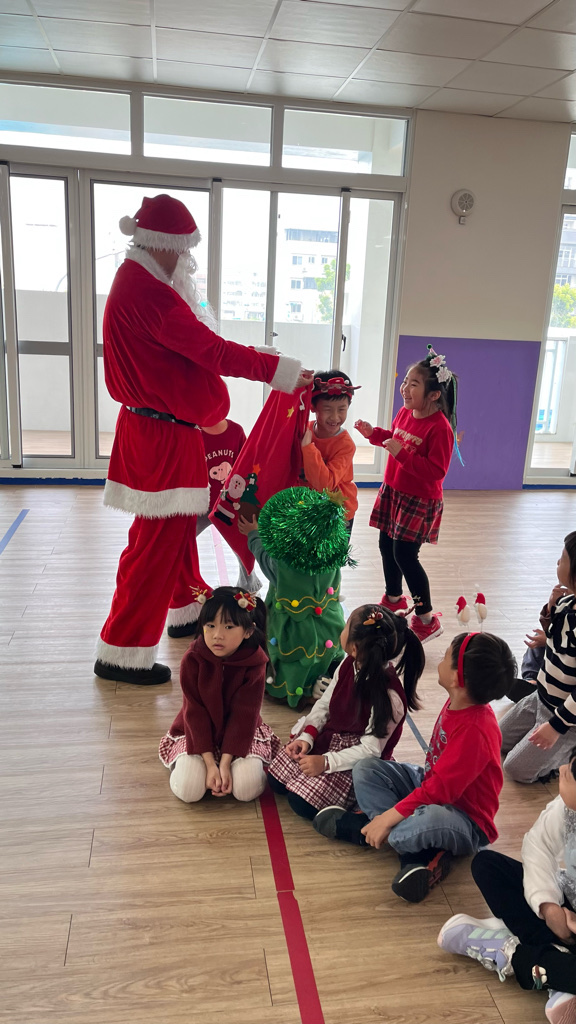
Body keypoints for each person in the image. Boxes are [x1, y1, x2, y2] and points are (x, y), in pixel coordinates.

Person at [94, 194, 311, 685]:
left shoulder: (139, 283)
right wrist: (277, 369)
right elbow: (210, 350)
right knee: (153, 547)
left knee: (170, 535)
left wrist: (264, 360)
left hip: (161, 431)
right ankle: (121, 650)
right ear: (163, 244)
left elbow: (196, 349)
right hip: (161, 437)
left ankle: (185, 611)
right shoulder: (149, 293)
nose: (186, 260)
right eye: (183, 249)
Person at [313, 631, 516, 903]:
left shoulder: (476, 730)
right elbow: (433, 785)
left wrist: (389, 816)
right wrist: (394, 814)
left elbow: (440, 791)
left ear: (457, 679)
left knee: (428, 819)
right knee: (366, 768)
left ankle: (371, 831)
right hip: (429, 786)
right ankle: (404, 843)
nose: (441, 659)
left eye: (446, 656)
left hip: (466, 819)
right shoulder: (461, 700)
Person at [438, 747, 576, 1024]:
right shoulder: (566, 807)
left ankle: (514, 953)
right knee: (487, 865)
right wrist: (548, 907)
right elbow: (538, 845)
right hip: (567, 903)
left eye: (570, 774)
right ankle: (558, 964)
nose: (561, 770)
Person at [267, 604, 424, 820]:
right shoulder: (348, 663)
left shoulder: (389, 696)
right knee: (276, 780)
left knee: (300, 802)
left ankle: (354, 815)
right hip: (330, 739)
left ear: (355, 647)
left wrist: (326, 763)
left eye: (346, 626)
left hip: (354, 760)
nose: (342, 629)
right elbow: (325, 703)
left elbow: (370, 750)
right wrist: (307, 737)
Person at [355, 345, 461, 644]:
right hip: (394, 491)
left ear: (434, 394)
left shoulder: (440, 428)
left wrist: (401, 454)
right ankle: (393, 598)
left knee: (405, 555)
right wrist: (373, 434)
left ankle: (426, 618)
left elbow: (436, 471)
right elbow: (394, 437)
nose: (404, 388)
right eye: (405, 381)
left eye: (414, 384)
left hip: (419, 499)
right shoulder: (405, 412)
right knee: (386, 545)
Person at [158, 587, 279, 803]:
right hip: (197, 730)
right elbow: (194, 712)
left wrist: (224, 763)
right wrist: (209, 763)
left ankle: (223, 768)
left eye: (229, 627)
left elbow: (244, 715)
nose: (217, 635)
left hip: (240, 731)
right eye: (210, 625)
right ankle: (196, 768)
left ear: (248, 631)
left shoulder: (255, 662)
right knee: (189, 790)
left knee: (247, 790)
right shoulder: (192, 659)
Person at [238, 486, 353, 707]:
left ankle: (295, 689)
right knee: (324, 651)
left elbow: (262, 555)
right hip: (329, 624)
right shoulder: (332, 554)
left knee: (292, 655)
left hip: (292, 630)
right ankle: (324, 682)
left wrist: (254, 533)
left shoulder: (283, 564)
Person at [167, 418, 261, 639]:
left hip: (227, 504)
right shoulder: (191, 431)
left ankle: (249, 583)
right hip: (198, 505)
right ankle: (181, 594)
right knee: (181, 543)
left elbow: (246, 462)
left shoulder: (236, 430)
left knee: (241, 542)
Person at [500, 532, 576, 784]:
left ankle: (568, 752)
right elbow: (554, 634)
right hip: (541, 698)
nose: (557, 562)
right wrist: (551, 608)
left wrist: (556, 727)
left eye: (563, 559)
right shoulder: (567, 601)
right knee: (497, 739)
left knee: (516, 769)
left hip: (567, 719)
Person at [301, 371, 360, 532]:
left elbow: (325, 485)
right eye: (327, 409)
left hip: (337, 513)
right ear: (313, 407)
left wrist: (308, 448)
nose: (335, 417)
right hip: (309, 508)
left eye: (341, 409)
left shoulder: (346, 445)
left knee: (332, 549)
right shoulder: (305, 429)